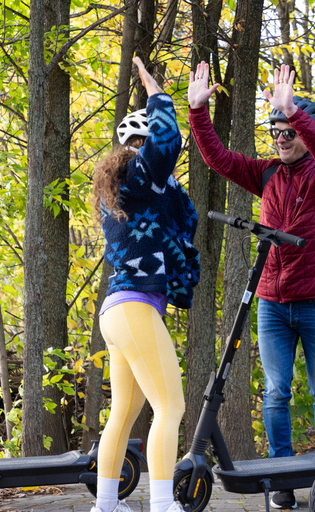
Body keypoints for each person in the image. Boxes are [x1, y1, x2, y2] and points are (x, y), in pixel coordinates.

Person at [188, 61, 315, 509]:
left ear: (307, 130)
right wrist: (198, 112)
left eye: (289, 131)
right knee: (276, 392)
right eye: (274, 131)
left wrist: (294, 111)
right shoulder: (267, 174)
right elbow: (218, 159)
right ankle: (281, 477)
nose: (280, 139)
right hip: (273, 303)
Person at [91, 56, 199, 512]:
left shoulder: (132, 190)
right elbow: (165, 144)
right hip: (133, 308)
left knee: (124, 413)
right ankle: (161, 504)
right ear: (136, 147)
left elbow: (182, 223)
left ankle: (105, 506)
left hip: (121, 311)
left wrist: (195, 112)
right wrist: (159, 96)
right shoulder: (139, 176)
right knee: (170, 407)